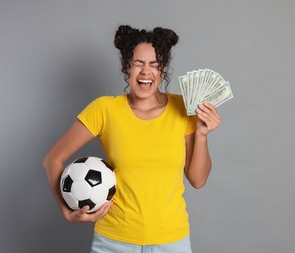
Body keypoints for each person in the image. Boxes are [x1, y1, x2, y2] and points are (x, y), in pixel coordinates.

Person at [43, 25, 221, 253]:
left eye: (154, 64)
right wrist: (67, 213)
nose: (146, 72)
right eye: (138, 63)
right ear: (125, 65)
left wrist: (202, 135)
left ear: (163, 69)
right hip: (113, 242)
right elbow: (53, 160)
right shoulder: (104, 109)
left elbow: (198, 180)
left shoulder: (183, 109)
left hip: (171, 242)